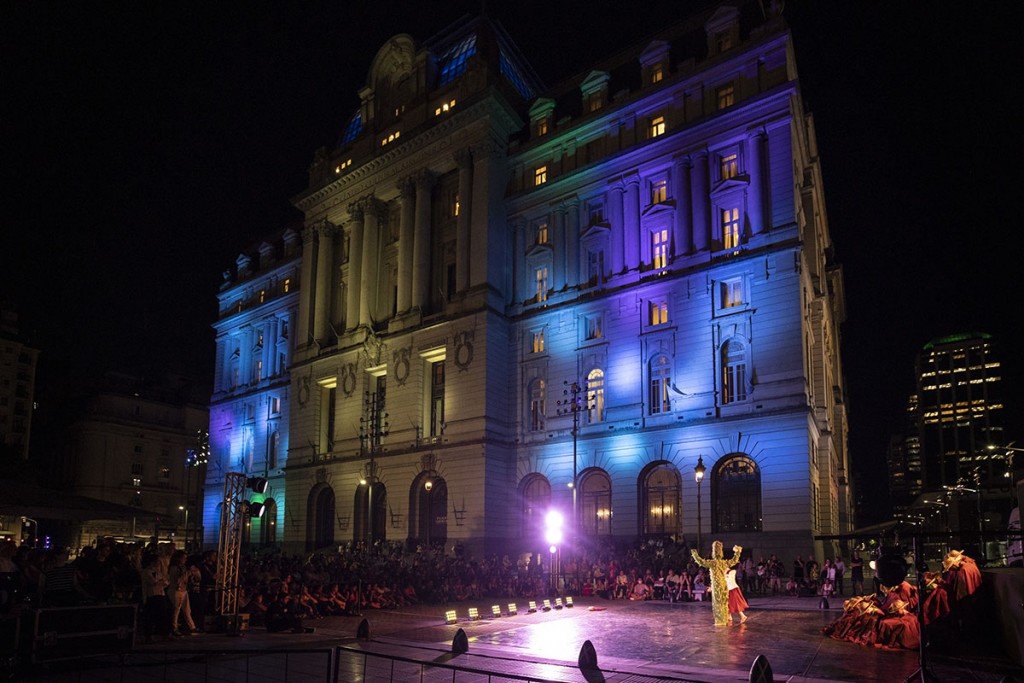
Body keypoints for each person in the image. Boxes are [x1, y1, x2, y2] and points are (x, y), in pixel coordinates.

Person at [692, 542, 742, 627]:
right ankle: (724, 619)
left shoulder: (712, 563)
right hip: (724, 585)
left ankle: (720, 621)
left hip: (716, 586)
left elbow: (701, 561)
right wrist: (737, 552)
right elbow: (734, 560)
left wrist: (694, 553)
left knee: (717, 604)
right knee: (724, 603)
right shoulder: (724, 563)